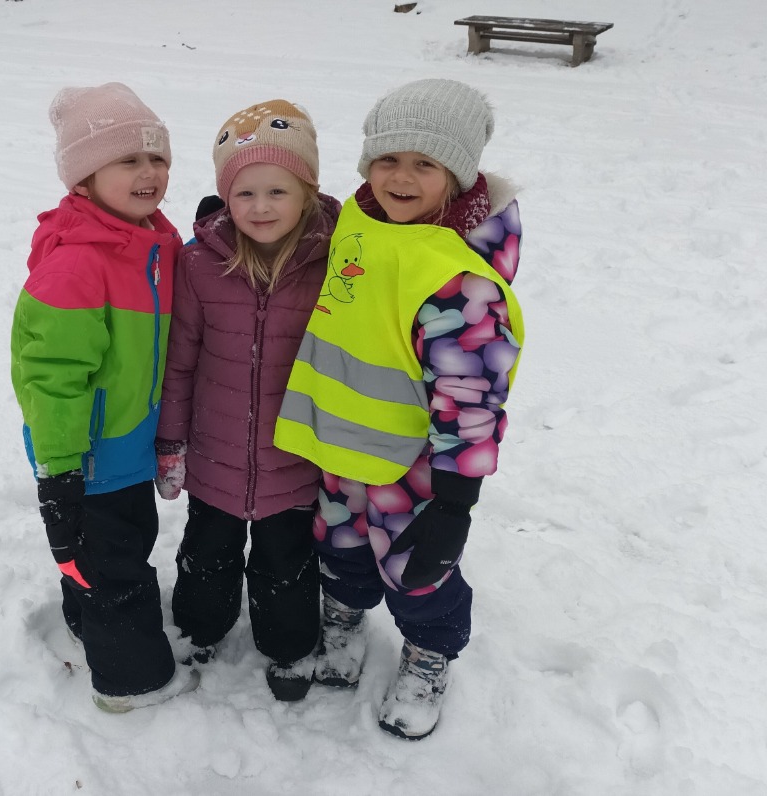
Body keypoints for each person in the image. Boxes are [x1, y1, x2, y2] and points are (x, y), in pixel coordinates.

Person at [274, 78, 525, 738]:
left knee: (417, 571)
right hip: (338, 443)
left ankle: (428, 654)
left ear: (457, 174)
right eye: (387, 159)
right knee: (338, 545)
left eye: (425, 164)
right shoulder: (357, 219)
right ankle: (343, 618)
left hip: (413, 465)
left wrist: (455, 502)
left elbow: (471, 395)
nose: (401, 178)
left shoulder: (459, 280)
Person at [10, 82, 197, 713]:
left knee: (102, 554)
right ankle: (132, 682)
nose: (149, 173)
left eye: (157, 158)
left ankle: (82, 624)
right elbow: (52, 378)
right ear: (84, 179)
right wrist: (61, 469)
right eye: (127, 160)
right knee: (117, 569)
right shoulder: (79, 264)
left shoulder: (148, 243)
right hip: (87, 454)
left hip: (124, 447)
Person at [154, 100, 340, 702]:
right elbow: (180, 361)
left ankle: (289, 647)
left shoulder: (335, 265)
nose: (261, 207)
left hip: (295, 454)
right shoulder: (198, 264)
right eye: (245, 194)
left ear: (308, 192)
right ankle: (199, 629)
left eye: (277, 191)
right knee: (206, 553)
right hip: (215, 454)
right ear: (225, 198)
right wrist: (172, 440)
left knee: (287, 561)